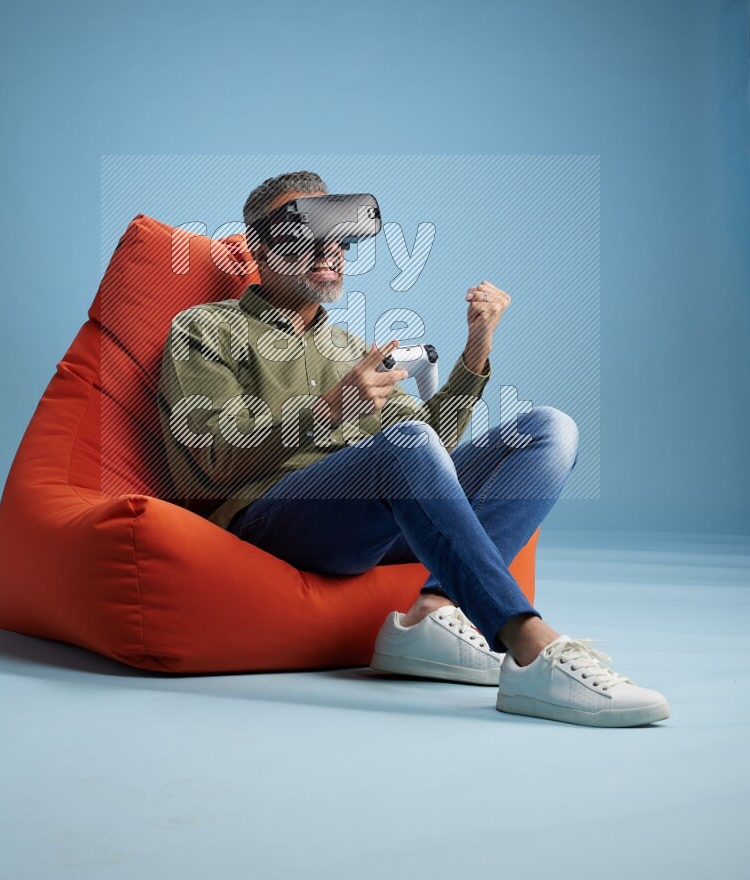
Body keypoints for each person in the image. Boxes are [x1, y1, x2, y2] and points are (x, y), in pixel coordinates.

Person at [157, 170, 670, 728]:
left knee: (549, 430)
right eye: (304, 232)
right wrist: (330, 410)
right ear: (258, 244)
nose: (329, 249)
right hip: (272, 523)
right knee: (404, 442)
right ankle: (529, 646)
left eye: (339, 236)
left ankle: (433, 610)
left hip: (371, 525)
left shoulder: (349, 346)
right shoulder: (205, 328)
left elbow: (431, 453)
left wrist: (475, 352)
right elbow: (209, 460)